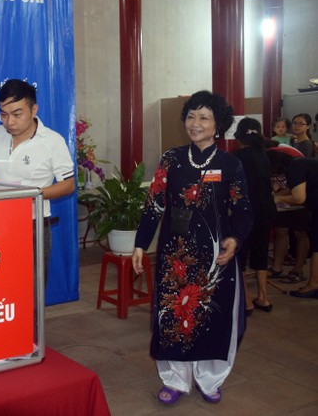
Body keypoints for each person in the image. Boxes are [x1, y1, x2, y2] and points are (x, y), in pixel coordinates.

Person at [132, 90, 253, 405]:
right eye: (190, 116)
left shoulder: (231, 164)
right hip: (176, 258)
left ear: (218, 125)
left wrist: (235, 239)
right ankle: (175, 379)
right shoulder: (171, 159)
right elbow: (154, 205)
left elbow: (243, 212)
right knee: (173, 319)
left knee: (213, 319)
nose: (195, 123)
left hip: (216, 260)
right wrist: (140, 245)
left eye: (204, 117)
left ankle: (210, 379)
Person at [0, 79, 75, 284]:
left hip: (33, 226)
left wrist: (31, 194)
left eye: (17, 114)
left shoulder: (52, 141)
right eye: (3, 114)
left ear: (33, 109)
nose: (9, 122)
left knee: (31, 289)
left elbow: (68, 185)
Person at [232, 118, 276, 314]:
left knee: (240, 254)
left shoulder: (236, 157)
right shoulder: (264, 155)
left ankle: (247, 301)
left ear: (239, 136)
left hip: (245, 212)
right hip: (266, 209)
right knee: (261, 251)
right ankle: (264, 297)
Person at [267, 149, 318, 298]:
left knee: (317, 246)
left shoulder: (294, 168)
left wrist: (277, 200)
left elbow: (299, 197)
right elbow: (294, 188)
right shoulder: (299, 164)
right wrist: (277, 195)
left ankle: (313, 286)